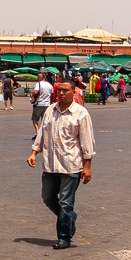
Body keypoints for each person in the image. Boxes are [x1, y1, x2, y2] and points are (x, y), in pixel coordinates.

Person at [27, 79, 95, 250]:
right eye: (60, 90)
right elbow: (42, 133)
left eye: (66, 90)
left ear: (74, 92)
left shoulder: (81, 113)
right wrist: (34, 152)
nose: (62, 93)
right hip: (50, 165)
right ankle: (70, 218)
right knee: (48, 198)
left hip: (71, 166)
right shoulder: (50, 110)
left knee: (65, 203)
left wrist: (87, 166)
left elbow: (87, 141)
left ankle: (64, 237)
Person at [31, 73, 53, 140]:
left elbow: (35, 92)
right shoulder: (50, 85)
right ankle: (44, 133)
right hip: (47, 104)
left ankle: (37, 131)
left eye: (38, 77)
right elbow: (52, 94)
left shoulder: (39, 84)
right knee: (44, 120)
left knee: (35, 119)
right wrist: (50, 102)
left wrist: (32, 95)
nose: (37, 78)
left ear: (42, 77)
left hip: (39, 103)